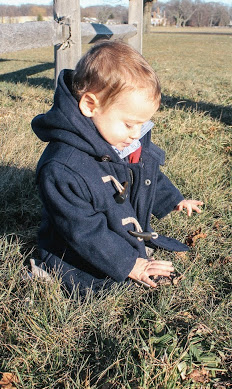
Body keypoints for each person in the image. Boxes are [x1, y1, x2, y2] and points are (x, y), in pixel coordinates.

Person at [31, 40, 202, 295]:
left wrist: (174, 199)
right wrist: (130, 264)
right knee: (82, 275)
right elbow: (83, 230)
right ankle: (44, 268)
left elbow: (146, 173)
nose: (136, 134)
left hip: (119, 230)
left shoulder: (120, 138)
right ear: (90, 105)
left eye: (142, 125)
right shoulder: (62, 168)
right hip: (75, 249)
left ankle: (126, 245)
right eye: (130, 124)